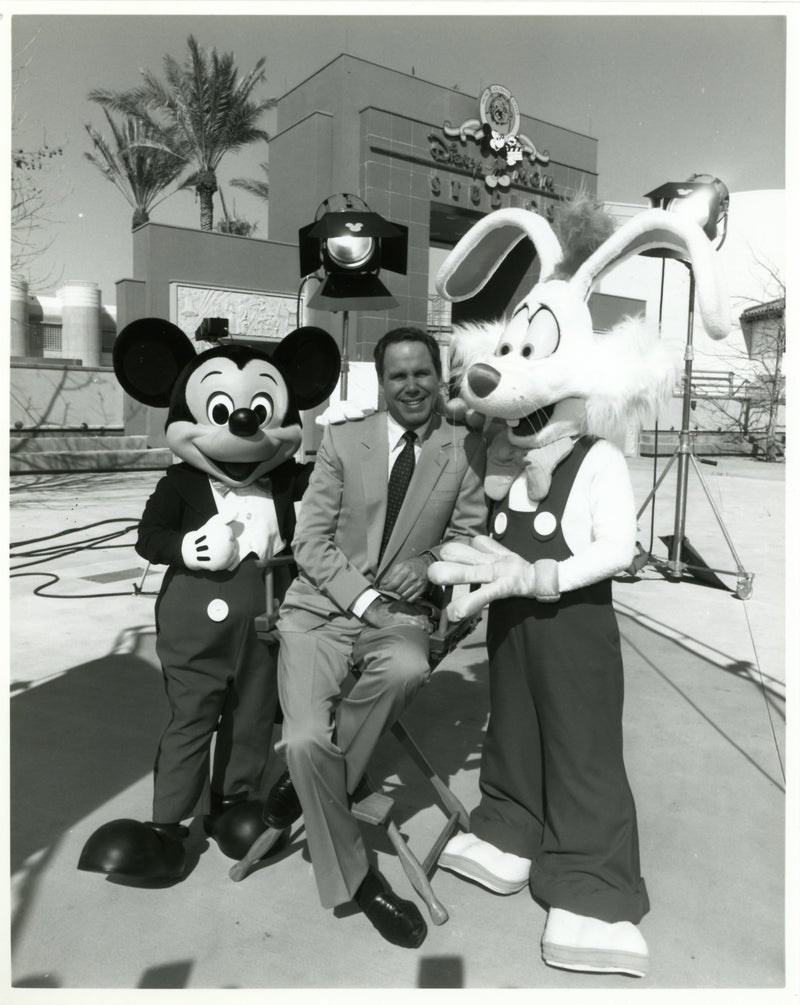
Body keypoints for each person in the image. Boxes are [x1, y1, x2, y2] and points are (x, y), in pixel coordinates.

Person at [263, 326, 487, 948]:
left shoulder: (462, 448)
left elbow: (469, 533)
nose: (411, 385)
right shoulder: (342, 440)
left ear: (439, 379)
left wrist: (435, 556)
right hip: (321, 610)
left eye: (422, 374)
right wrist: (359, 599)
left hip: (400, 615)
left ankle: (301, 788)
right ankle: (362, 883)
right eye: (398, 375)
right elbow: (307, 540)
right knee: (306, 737)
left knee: (408, 669)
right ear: (380, 382)